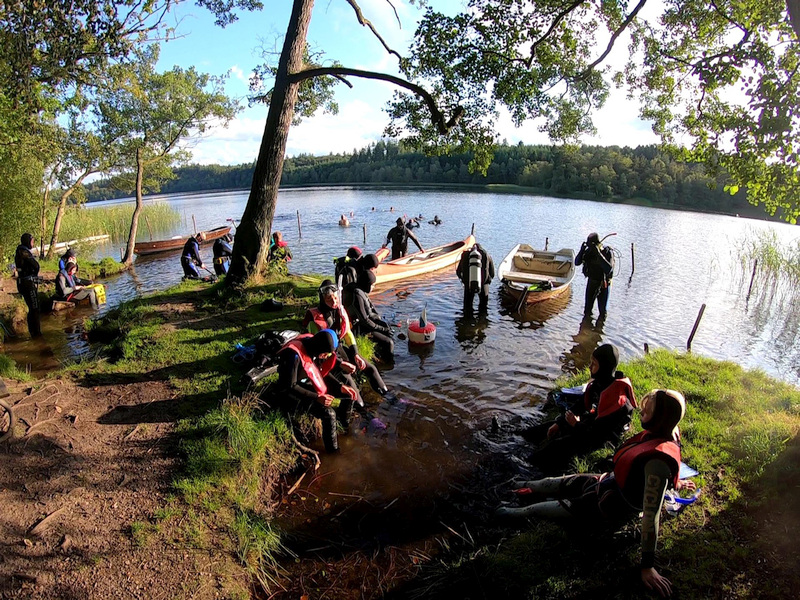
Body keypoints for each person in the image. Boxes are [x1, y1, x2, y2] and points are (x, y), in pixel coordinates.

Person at [498, 389, 695, 598]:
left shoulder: (658, 462)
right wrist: (677, 484)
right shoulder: (664, 432)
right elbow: (651, 478)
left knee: (542, 509)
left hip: (608, 505)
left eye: (646, 413)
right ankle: (519, 484)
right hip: (606, 481)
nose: (640, 414)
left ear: (660, 419)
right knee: (555, 482)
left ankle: (510, 512)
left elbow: (651, 516)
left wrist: (647, 566)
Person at [525, 344, 636, 469]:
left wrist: (575, 425)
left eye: (593, 364)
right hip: (587, 426)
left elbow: (597, 436)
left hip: (601, 438)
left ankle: (527, 467)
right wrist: (559, 423)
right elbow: (580, 405)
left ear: (604, 367)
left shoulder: (618, 402)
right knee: (537, 431)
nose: (589, 367)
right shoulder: (599, 384)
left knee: (554, 448)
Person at [303, 280, 396, 401]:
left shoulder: (340, 310)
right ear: (323, 299)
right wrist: (340, 363)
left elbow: (347, 333)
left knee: (371, 369)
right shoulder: (314, 318)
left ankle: (389, 397)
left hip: (340, 349)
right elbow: (318, 349)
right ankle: (365, 414)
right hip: (325, 358)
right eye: (329, 299)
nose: (334, 302)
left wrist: (355, 354)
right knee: (350, 382)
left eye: (336, 298)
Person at [273, 329, 359, 453]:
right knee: (329, 414)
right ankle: (333, 452)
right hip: (292, 393)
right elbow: (289, 386)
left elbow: (319, 372)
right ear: (320, 349)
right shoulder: (293, 355)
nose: (327, 356)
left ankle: (342, 428)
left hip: (308, 383)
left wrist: (339, 386)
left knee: (349, 395)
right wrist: (316, 397)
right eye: (326, 353)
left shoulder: (315, 348)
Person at [343, 269, 394, 361]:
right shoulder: (357, 294)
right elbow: (364, 320)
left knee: (387, 329)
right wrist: (382, 328)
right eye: (372, 284)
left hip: (362, 324)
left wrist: (381, 323)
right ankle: (388, 363)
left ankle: (380, 355)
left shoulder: (358, 289)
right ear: (367, 284)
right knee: (389, 342)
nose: (374, 286)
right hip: (357, 328)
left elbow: (370, 310)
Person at [575, 232, 614, 318]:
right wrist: (582, 250)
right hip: (592, 283)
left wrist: (598, 254)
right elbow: (576, 262)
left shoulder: (607, 252)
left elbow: (609, 270)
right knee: (587, 310)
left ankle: (599, 326)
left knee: (602, 312)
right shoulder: (588, 252)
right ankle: (588, 328)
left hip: (604, 284)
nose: (589, 246)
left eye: (590, 244)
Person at [14, 233, 42, 337]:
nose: (33, 243)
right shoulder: (23, 251)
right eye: (32, 241)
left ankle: (34, 332)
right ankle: (36, 333)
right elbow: (35, 265)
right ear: (27, 241)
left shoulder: (20, 250)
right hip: (27, 283)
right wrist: (35, 272)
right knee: (34, 308)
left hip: (23, 282)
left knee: (32, 308)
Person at [456, 242, 495, 311]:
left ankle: (467, 319)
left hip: (468, 284)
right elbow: (492, 273)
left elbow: (458, 271)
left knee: (467, 306)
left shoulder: (465, 256)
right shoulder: (487, 255)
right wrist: (488, 281)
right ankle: (482, 319)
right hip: (484, 284)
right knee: (483, 306)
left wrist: (463, 280)